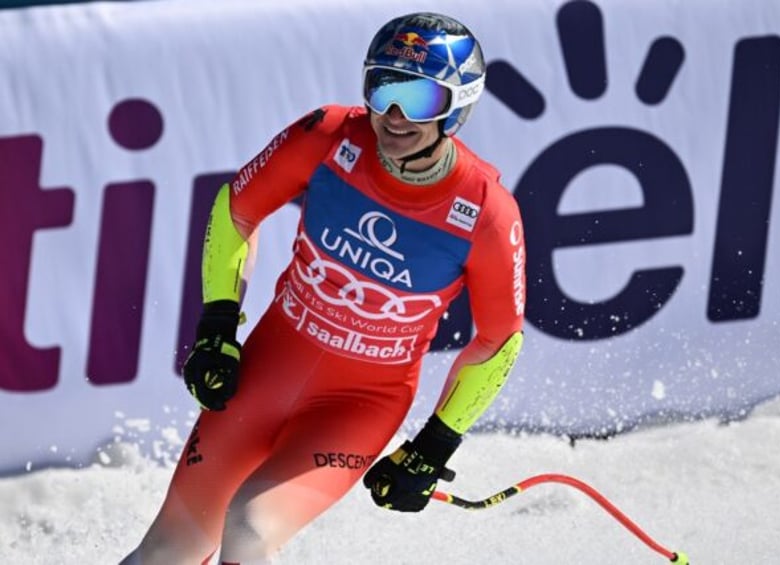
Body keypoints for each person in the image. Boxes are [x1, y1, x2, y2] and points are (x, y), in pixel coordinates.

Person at [121, 11, 525, 565]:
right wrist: (218, 324)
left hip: (358, 405)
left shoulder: (485, 211)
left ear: (457, 108)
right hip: (266, 371)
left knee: (249, 528)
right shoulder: (329, 134)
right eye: (383, 88)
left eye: (421, 99)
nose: (396, 115)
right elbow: (236, 210)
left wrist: (435, 444)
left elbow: (499, 338)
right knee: (166, 553)